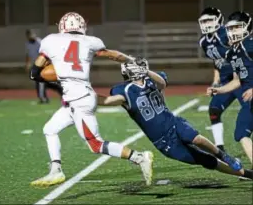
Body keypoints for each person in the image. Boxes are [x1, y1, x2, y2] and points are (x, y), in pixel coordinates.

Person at [29, 12, 153, 187]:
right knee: (50, 129)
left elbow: (34, 73)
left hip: (79, 99)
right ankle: (55, 170)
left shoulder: (50, 40)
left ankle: (140, 157)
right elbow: (113, 55)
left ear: (62, 26)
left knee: (95, 144)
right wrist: (130, 59)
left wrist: (54, 73)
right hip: (77, 98)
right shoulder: (91, 41)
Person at [97, 59, 253, 180]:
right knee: (205, 161)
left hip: (173, 122)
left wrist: (148, 72)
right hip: (163, 142)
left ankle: (223, 155)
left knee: (197, 139)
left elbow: (162, 83)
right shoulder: (124, 91)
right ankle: (247, 174)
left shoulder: (152, 81)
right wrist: (85, 97)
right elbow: (109, 101)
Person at [209, 11, 253, 168]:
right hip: (250, 101)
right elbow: (236, 81)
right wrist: (218, 90)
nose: (233, 32)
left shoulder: (250, 44)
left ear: (247, 27)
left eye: (237, 28)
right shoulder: (232, 52)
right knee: (241, 133)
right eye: (231, 28)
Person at [198, 7, 245, 151]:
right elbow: (216, 62)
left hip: (242, 80)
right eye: (204, 21)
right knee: (214, 110)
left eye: (209, 20)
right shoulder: (204, 42)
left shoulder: (226, 34)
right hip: (226, 82)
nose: (206, 24)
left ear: (218, 20)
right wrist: (215, 81)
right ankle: (220, 149)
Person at [25, 29, 62, 104]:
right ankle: (59, 91)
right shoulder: (27, 44)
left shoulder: (39, 42)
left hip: (43, 64)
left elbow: (44, 53)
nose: (31, 36)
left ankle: (43, 98)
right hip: (36, 64)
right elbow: (28, 54)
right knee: (45, 82)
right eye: (29, 35)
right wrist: (28, 64)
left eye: (32, 34)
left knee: (40, 81)